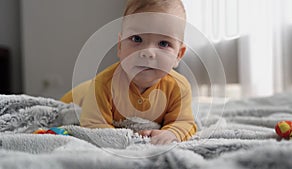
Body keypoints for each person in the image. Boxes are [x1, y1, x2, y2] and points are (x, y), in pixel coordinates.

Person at [61, 0, 197, 145]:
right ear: (120, 46)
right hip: (81, 95)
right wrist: (126, 140)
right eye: (136, 39)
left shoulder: (179, 87)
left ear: (178, 55)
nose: (148, 53)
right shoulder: (102, 85)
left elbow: (184, 122)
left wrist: (171, 133)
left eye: (163, 43)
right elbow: (93, 126)